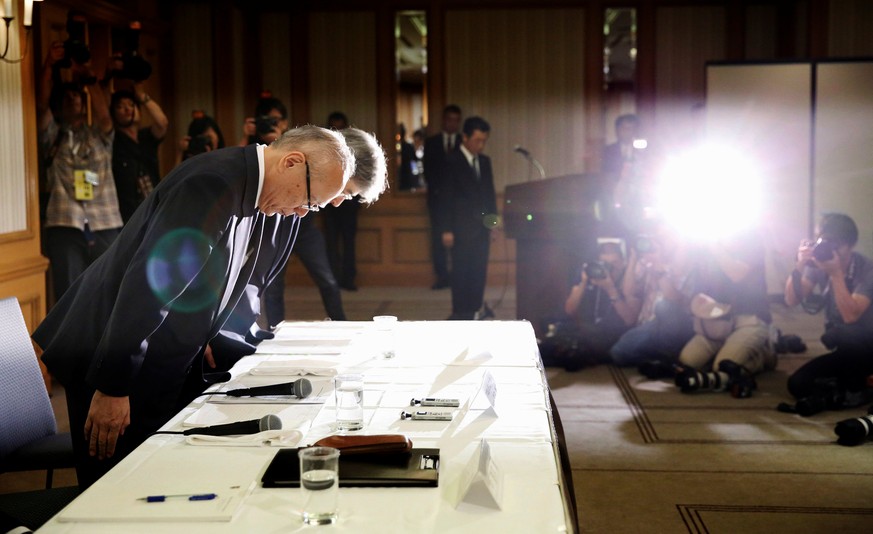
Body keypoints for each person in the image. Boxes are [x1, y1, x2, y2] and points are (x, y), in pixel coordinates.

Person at [32, 125, 357, 488]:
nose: (300, 213)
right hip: (111, 353)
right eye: (310, 201)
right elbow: (150, 286)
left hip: (151, 350)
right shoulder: (214, 182)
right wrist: (113, 386)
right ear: (292, 162)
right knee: (115, 491)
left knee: (155, 481)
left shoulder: (247, 183)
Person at [201, 127, 388, 379]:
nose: (335, 202)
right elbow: (230, 264)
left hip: (238, 317)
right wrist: (208, 329)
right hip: (209, 321)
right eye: (344, 191)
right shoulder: (286, 186)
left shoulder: (303, 190)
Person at [37, 42, 123, 302]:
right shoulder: (53, 136)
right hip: (65, 222)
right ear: (59, 104)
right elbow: (41, 107)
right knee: (68, 294)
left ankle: (105, 341)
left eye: (77, 96)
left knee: (108, 288)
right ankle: (70, 343)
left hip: (105, 221)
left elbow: (105, 118)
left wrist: (88, 78)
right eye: (67, 96)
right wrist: (49, 66)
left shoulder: (98, 135)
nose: (73, 99)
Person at [252, 98, 347, 323]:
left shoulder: (300, 144)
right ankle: (273, 331)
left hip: (304, 228)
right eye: (268, 119)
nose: (273, 123)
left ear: (285, 122)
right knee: (273, 286)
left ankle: (342, 324)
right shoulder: (255, 148)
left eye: (276, 119)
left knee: (327, 279)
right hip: (271, 227)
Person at [783, 213, 873, 411]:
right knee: (797, 384)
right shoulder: (820, 262)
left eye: (836, 245)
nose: (828, 250)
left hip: (867, 345)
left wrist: (835, 274)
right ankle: (853, 387)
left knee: (843, 334)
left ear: (851, 245)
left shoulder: (867, 270)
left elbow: (851, 317)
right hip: (846, 351)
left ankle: (855, 387)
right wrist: (799, 264)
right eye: (823, 242)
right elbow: (791, 300)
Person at [673, 229, 775, 396]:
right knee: (688, 362)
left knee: (723, 367)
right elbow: (678, 271)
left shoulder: (750, 238)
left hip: (749, 319)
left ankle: (764, 354)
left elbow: (737, 273)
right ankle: (736, 350)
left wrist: (713, 243)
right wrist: (684, 240)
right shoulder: (702, 242)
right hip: (716, 322)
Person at [540, 241, 639, 371]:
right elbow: (569, 309)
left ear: (623, 262)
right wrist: (583, 282)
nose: (609, 270)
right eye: (605, 264)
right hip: (586, 328)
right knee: (551, 327)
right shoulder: (590, 275)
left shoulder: (629, 281)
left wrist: (611, 289)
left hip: (613, 333)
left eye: (614, 264)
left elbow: (629, 320)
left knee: (578, 343)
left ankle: (571, 352)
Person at [609, 226, 695, 369]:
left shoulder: (684, 265)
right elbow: (628, 291)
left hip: (675, 326)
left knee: (664, 307)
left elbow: (675, 301)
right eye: (656, 237)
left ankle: (665, 357)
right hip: (649, 325)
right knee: (618, 353)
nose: (657, 242)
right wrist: (633, 259)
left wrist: (659, 270)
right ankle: (661, 361)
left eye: (663, 238)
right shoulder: (646, 262)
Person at [438, 116, 498, 320]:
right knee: (461, 273)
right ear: (465, 137)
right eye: (477, 140)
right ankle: (460, 314)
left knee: (478, 272)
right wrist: (446, 229)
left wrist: (493, 223)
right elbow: (445, 198)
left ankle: (474, 312)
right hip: (459, 228)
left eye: (484, 141)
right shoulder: (450, 161)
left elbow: (489, 195)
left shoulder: (485, 161)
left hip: (481, 228)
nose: (481, 145)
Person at [109, 83, 168, 223]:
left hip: (154, 208)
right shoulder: (112, 140)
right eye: (120, 106)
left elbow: (162, 123)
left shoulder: (146, 137)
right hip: (127, 213)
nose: (127, 109)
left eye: (131, 105)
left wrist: (142, 97)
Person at [423, 104, 462, 290]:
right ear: (444, 120)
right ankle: (442, 276)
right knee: (438, 240)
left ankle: (458, 276)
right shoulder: (432, 143)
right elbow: (428, 172)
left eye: (456, 120)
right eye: (449, 119)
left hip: (460, 202)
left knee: (460, 239)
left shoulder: (463, 141)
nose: (452, 123)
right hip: (437, 200)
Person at [321, 111, 361, 291]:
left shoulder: (355, 147)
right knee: (331, 243)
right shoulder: (323, 147)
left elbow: (360, 175)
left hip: (350, 203)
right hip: (328, 203)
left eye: (340, 128)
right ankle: (334, 280)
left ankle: (349, 278)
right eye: (333, 128)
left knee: (349, 243)